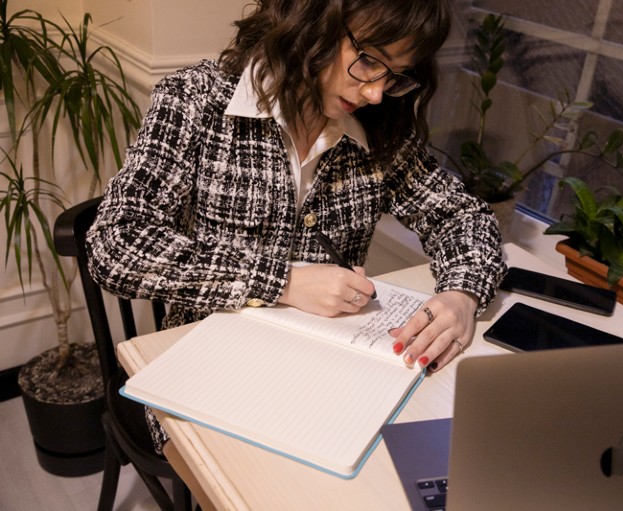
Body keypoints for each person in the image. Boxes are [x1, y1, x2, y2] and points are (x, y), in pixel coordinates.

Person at [88, 0, 504, 411]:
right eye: (369, 61)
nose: (377, 93)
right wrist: (282, 282)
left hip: (330, 369)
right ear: (313, 19)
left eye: (395, 75)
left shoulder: (380, 130)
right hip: (205, 367)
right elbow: (116, 243)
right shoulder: (197, 100)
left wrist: (462, 295)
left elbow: (462, 216)